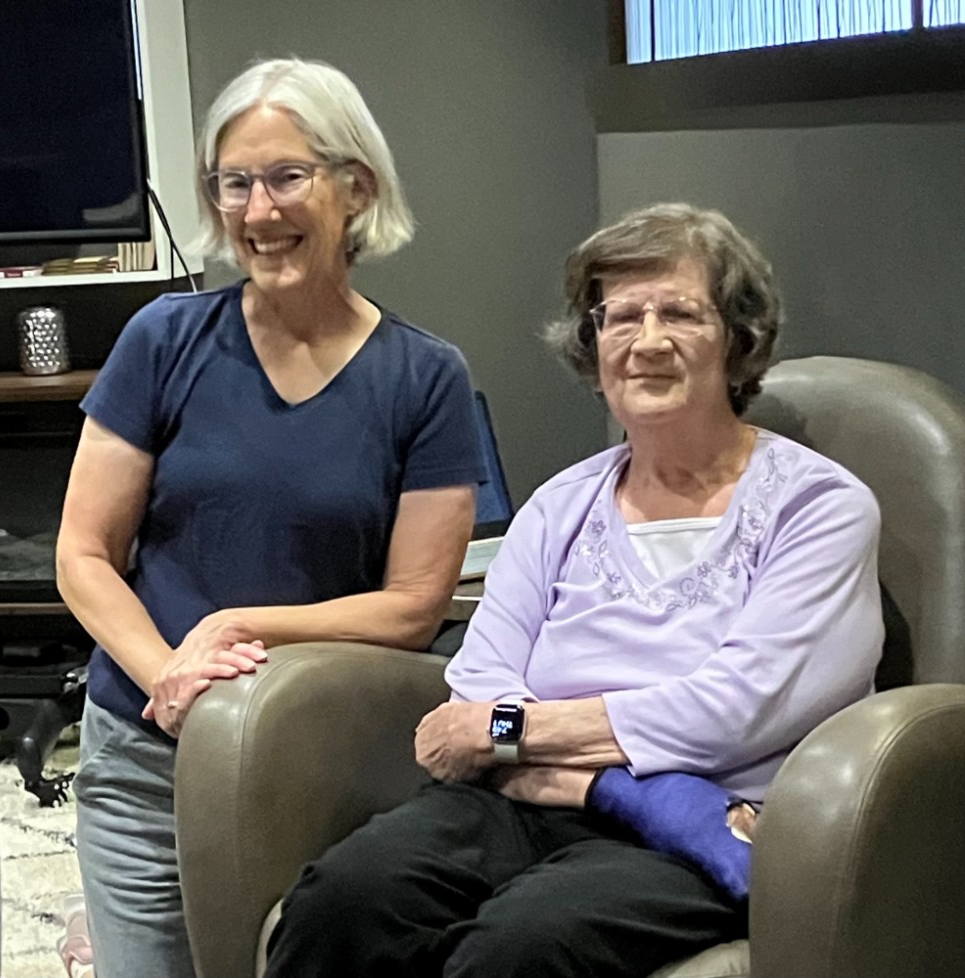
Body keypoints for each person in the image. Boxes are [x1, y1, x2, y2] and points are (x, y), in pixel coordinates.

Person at [264, 203, 884, 978]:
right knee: (340, 903)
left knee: (519, 950)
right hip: (519, 803)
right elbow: (478, 678)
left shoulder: (817, 507)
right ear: (593, 347)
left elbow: (735, 709)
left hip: (701, 820)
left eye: (680, 314)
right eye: (621, 317)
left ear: (737, 338)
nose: (647, 341)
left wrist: (527, 744)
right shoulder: (563, 503)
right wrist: (556, 760)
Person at [55, 57, 486, 978]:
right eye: (233, 183)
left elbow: (413, 606)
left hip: (321, 758)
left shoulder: (425, 377)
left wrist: (240, 628)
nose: (257, 211)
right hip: (143, 751)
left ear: (355, 186)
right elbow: (83, 554)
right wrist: (172, 678)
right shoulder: (163, 339)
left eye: (287, 177)